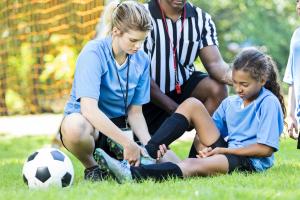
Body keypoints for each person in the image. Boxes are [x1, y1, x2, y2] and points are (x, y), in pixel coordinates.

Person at [95, 48, 286, 183]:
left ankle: (133, 174)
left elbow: (265, 149)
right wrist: (203, 147)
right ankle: (148, 152)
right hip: (227, 152)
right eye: (235, 83)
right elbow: (208, 131)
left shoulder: (268, 102)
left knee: (192, 164)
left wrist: (223, 152)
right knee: (192, 104)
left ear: (262, 80)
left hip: (249, 162)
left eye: (244, 85)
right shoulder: (231, 103)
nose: (237, 89)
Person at [59, 1, 153, 181]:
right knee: (74, 127)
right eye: (133, 40)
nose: (138, 46)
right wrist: (128, 143)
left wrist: (149, 145)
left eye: (143, 40)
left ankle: (115, 158)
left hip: (120, 128)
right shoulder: (93, 52)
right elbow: (89, 110)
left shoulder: (142, 60)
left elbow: (135, 113)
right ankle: (93, 168)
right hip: (90, 126)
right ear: (116, 31)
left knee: (162, 159)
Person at [142, 0, 232, 157]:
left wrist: (247, 79)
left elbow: (216, 64)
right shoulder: (141, 15)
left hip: (182, 88)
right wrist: (178, 111)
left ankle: (200, 154)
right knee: (145, 155)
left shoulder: (202, 19)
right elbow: (139, 76)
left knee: (217, 88)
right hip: (145, 97)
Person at [283, 0, 300, 148]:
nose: (299, 5)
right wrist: (291, 114)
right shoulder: (296, 35)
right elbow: (292, 78)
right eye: (298, 1)